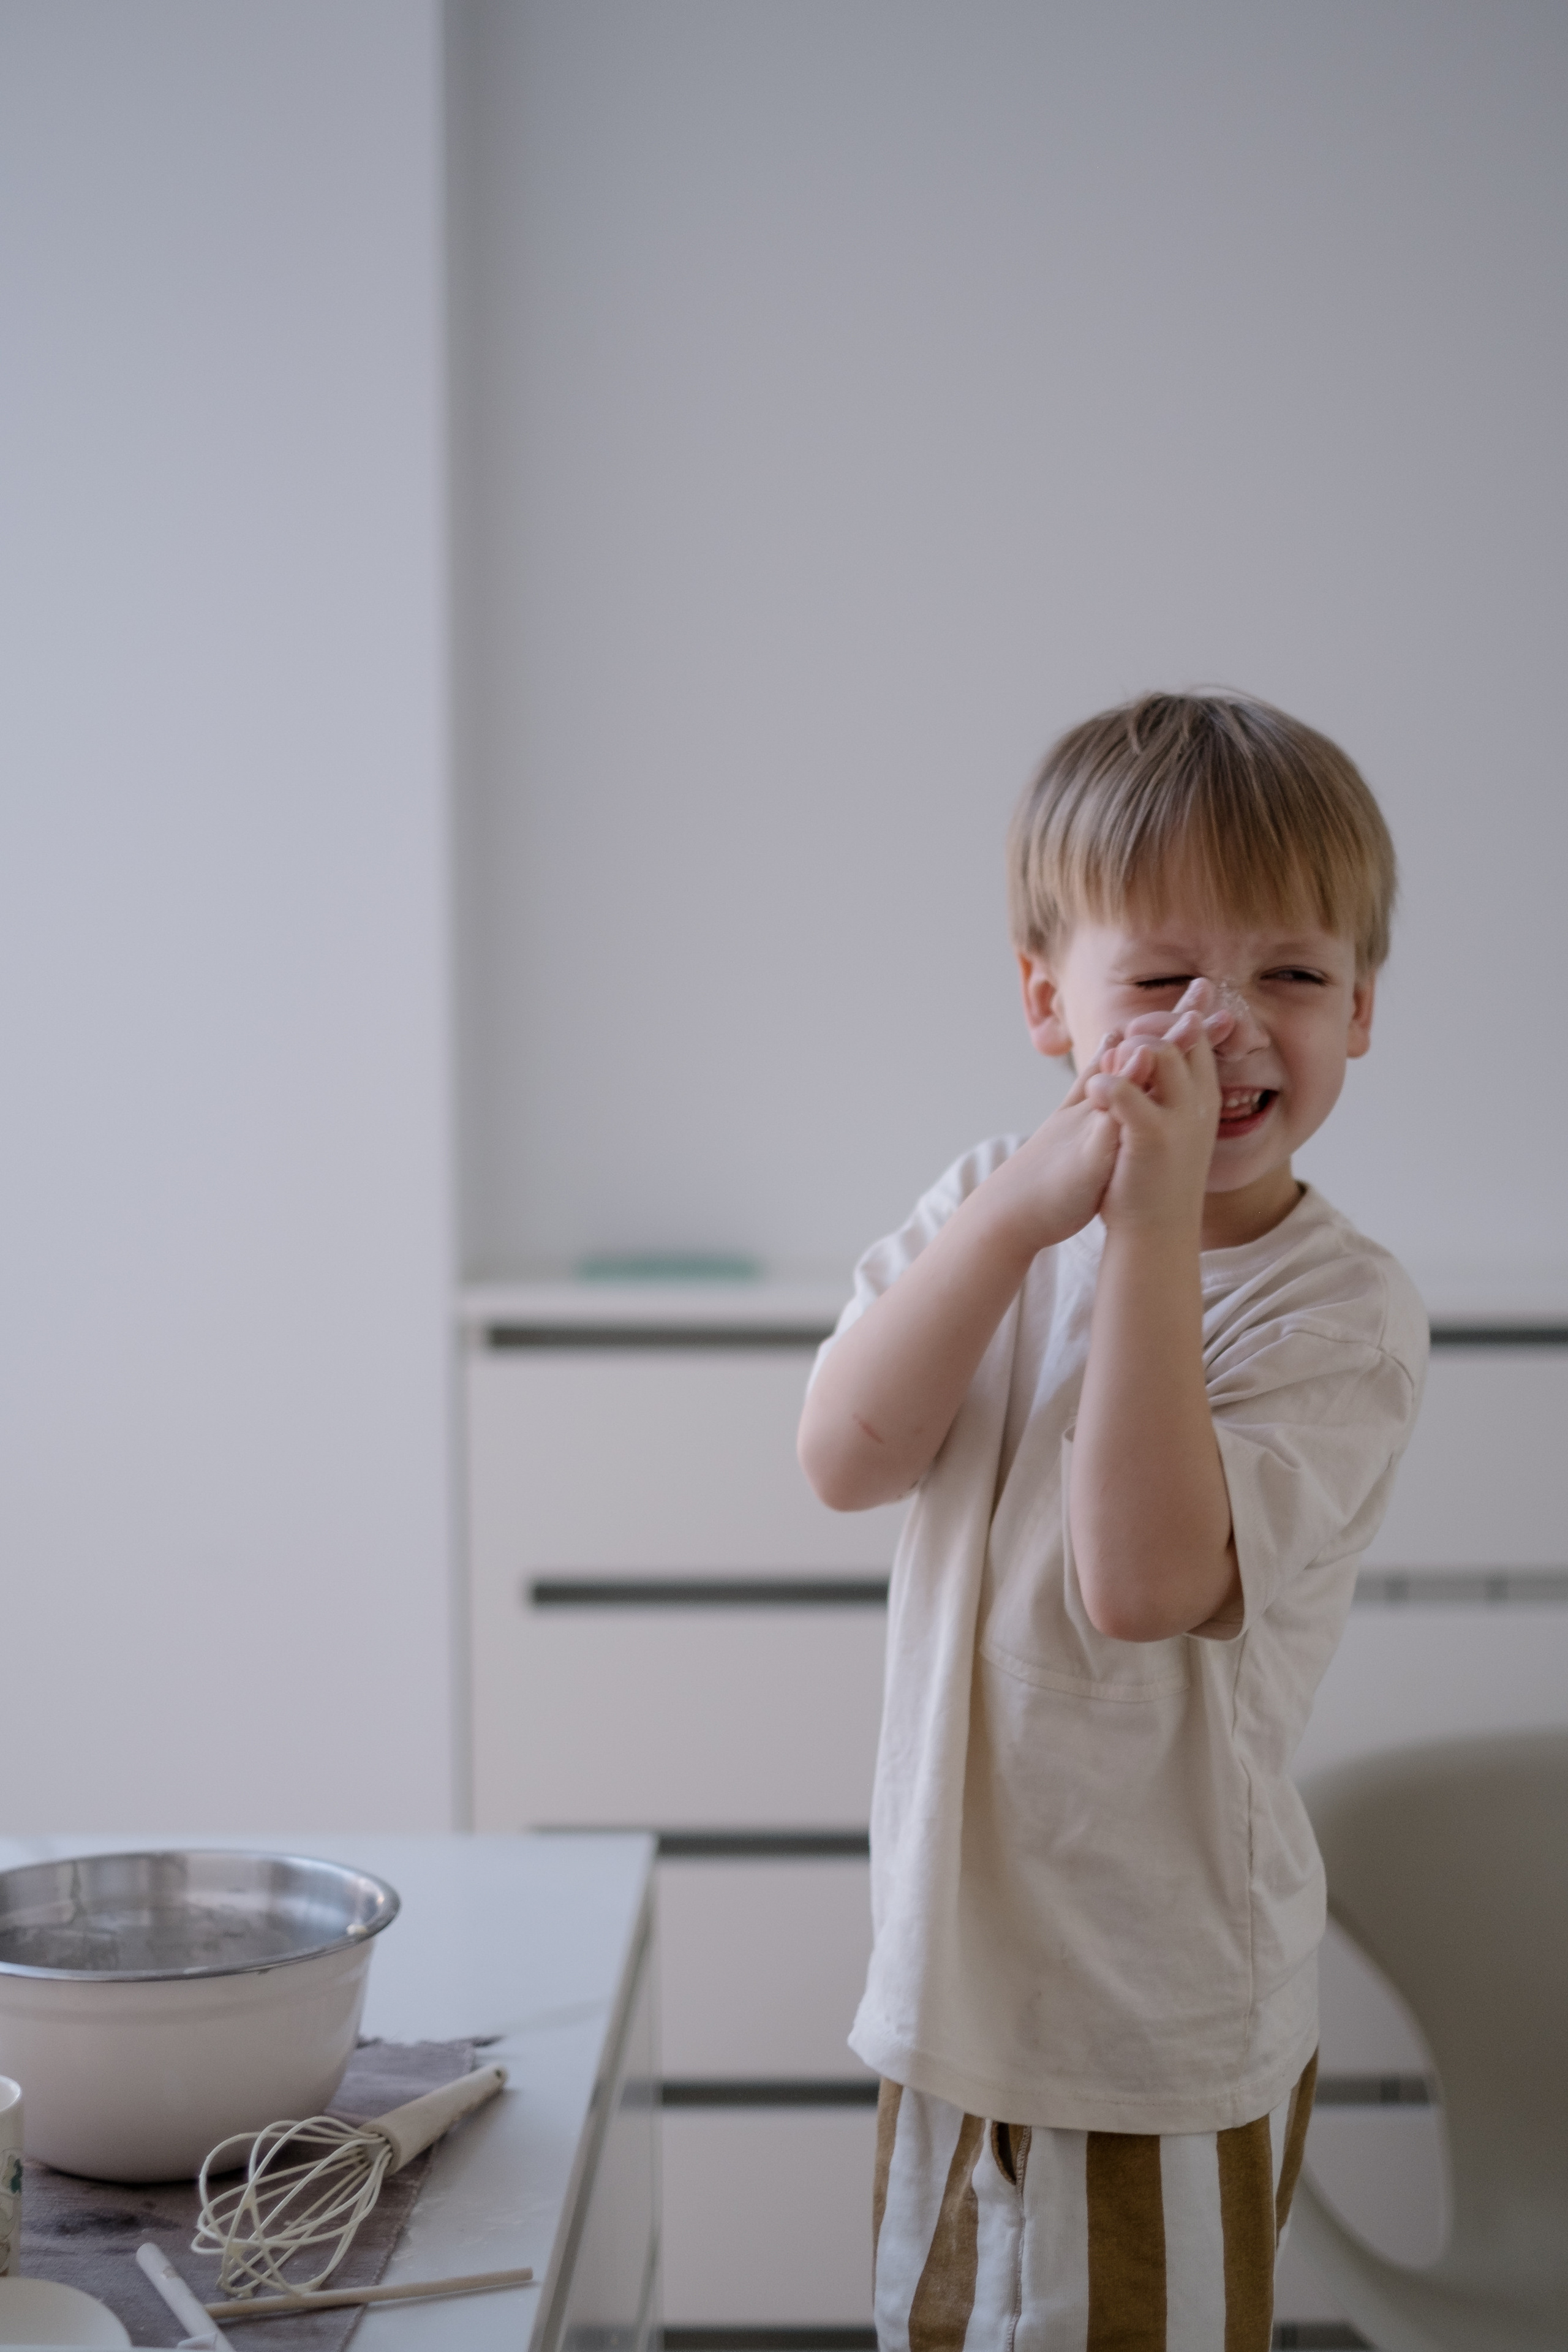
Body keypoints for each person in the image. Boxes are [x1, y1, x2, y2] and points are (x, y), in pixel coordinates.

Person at [797, 691, 1428, 2349]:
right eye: (1161, 981)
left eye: (1290, 975)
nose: (1225, 1027)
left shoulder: (1338, 1312)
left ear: (1361, 1009)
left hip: (1153, 2021)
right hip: (947, 1988)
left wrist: (1144, 1225)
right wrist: (1022, 1211)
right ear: (1047, 1003)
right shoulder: (983, 1218)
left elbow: (1142, 1581)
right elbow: (848, 1459)